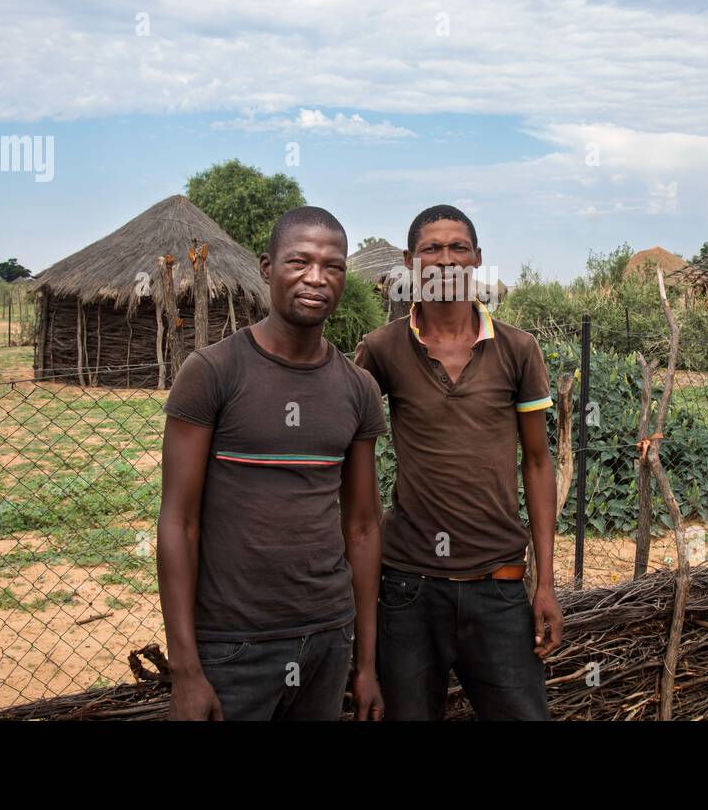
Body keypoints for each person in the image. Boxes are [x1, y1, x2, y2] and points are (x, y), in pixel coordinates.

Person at [158, 206, 386, 720]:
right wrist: (187, 670)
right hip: (233, 645)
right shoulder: (212, 373)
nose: (316, 278)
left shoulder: (358, 389)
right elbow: (178, 521)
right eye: (299, 261)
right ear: (266, 267)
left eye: (333, 266)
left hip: (328, 636)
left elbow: (365, 527)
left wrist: (365, 663)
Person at [354, 204, 563, 720]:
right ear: (410, 261)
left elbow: (538, 463)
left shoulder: (518, 349)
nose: (445, 259)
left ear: (477, 259)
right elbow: (349, 442)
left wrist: (546, 583)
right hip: (407, 588)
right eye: (432, 248)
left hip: (499, 583)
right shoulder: (380, 350)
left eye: (458, 247)